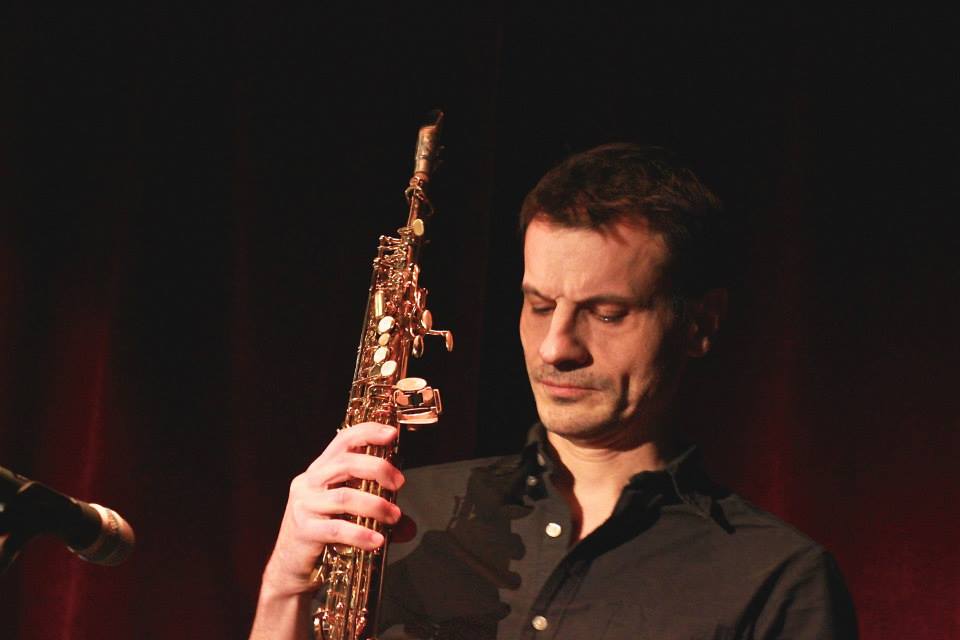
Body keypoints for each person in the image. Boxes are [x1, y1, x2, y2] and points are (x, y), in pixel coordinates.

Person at [249, 144, 858, 639]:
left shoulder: (777, 580)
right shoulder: (402, 516)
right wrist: (284, 587)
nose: (555, 348)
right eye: (540, 306)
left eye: (607, 313)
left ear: (700, 324)